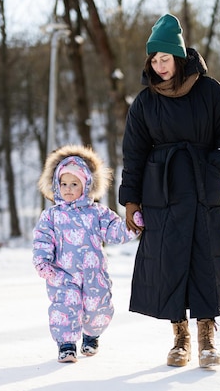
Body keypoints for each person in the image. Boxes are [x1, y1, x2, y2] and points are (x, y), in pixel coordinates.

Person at [119, 13, 220, 368]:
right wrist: (130, 199)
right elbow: (134, 153)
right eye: (154, 60)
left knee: (206, 261)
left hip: (204, 190)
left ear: (179, 56)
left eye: (165, 59)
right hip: (163, 193)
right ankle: (180, 339)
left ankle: (207, 336)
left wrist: (216, 162)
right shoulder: (144, 102)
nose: (159, 67)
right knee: (170, 264)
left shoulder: (212, 92)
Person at [32, 144, 140, 363]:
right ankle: (67, 345)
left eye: (74, 184)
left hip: (94, 274)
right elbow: (42, 239)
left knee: (98, 305)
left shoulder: (97, 213)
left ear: (86, 185)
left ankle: (91, 336)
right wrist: (43, 262)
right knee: (65, 307)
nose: (68, 189)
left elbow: (114, 231)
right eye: (63, 184)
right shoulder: (51, 216)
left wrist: (131, 226)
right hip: (63, 275)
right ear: (56, 185)